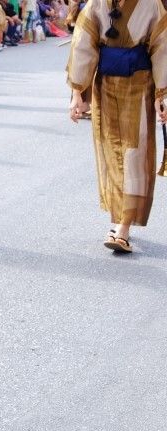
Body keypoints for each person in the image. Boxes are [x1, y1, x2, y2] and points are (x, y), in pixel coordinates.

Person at [68, 0, 167, 253]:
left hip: (140, 86)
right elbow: (83, 45)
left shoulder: (151, 5)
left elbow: (162, 48)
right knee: (110, 151)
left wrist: (161, 95)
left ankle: (123, 226)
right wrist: (77, 92)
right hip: (105, 86)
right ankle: (122, 215)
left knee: (135, 152)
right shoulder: (97, 4)